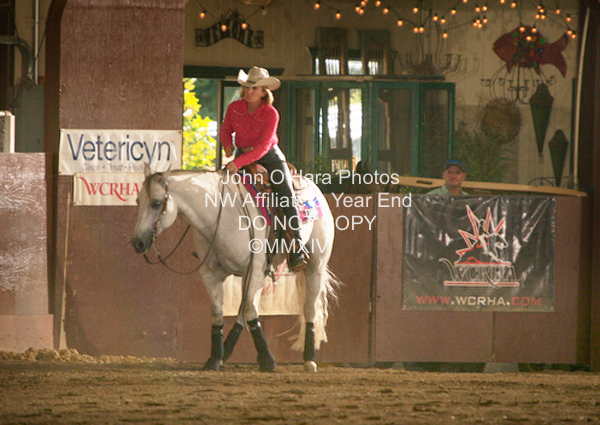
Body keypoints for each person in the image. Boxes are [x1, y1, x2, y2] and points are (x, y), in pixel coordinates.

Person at [220, 66, 309, 272]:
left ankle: (296, 244)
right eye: (247, 87)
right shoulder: (234, 108)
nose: (249, 91)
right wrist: (227, 144)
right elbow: (225, 130)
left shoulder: (271, 113)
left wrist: (238, 163)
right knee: (223, 189)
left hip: (269, 157)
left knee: (285, 193)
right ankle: (217, 238)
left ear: (263, 92)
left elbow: (262, 147)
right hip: (242, 154)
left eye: (255, 88)